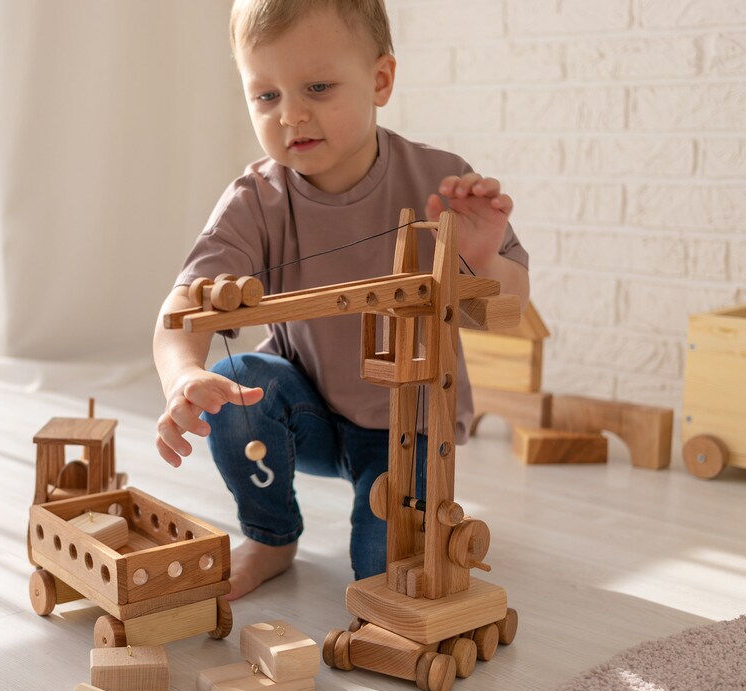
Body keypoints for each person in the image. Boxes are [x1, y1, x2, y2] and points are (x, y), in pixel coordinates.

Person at [153, 0, 529, 601]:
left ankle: (401, 524)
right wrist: (184, 375)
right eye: (266, 96)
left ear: (380, 81)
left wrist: (484, 260)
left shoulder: (442, 182)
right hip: (310, 413)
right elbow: (182, 308)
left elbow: (511, 309)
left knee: (385, 583)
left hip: (413, 425)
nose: (291, 115)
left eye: (318, 87)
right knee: (233, 382)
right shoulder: (256, 197)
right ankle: (271, 536)